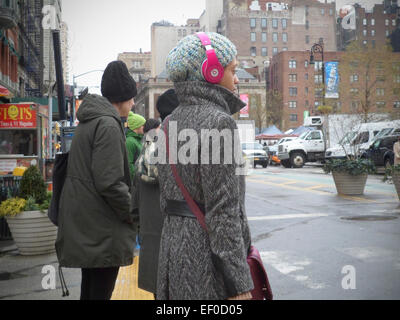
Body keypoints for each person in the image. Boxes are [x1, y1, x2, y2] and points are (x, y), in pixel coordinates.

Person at [156, 32, 254, 300]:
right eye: (233, 70)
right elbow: (223, 213)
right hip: (206, 262)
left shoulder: (167, 124)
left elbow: (165, 199)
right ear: (210, 72)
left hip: (172, 253)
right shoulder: (220, 123)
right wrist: (239, 281)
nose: (237, 79)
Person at [55, 60, 138, 300]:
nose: (133, 104)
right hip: (101, 229)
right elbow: (110, 182)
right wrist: (133, 213)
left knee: (90, 292)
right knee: (99, 292)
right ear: (122, 98)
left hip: (88, 224)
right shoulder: (108, 124)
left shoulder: (89, 120)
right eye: (131, 98)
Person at [137, 92, 179, 297]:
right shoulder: (179, 145)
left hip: (151, 235)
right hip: (175, 240)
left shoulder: (148, 145)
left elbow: (136, 198)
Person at [126, 112, 146, 180]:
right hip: (135, 181)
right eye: (143, 125)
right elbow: (129, 163)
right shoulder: (130, 142)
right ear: (136, 126)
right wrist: (134, 180)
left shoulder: (138, 139)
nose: (145, 127)